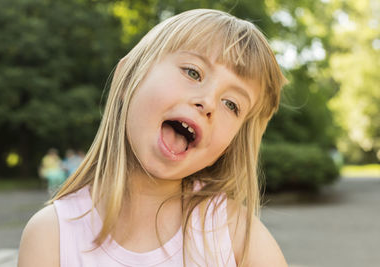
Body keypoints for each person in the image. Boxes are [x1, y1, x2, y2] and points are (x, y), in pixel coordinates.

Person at [18, 9, 288, 266]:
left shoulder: (235, 235)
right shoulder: (52, 236)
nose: (208, 102)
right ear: (127, 77)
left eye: (231, 104)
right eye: (193, 72)